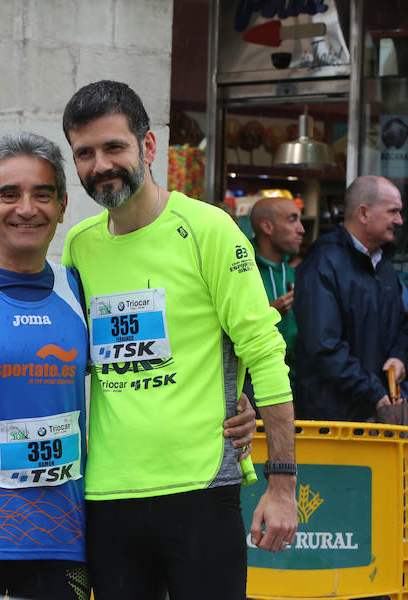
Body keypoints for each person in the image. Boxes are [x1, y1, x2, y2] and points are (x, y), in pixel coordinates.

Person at [0, 132, 256, 598]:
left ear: (63, 204)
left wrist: (231, 404)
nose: (26, 208)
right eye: (9, 194)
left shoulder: (77, 289)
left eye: (43, 194)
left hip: (61, 549)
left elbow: (135, 374)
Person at [61, 80, 296, 600]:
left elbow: (265, 351)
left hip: (201, 491)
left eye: (113, 147)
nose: (100, 165)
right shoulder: (78, 248)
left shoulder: (210, 230)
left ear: (147, 147)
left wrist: (283, 485)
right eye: (85, 153)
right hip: (106, 496)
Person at [293, 175, 408, 422]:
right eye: (393, 212)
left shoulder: (385, 267)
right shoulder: (323, 263)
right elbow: (323, 345)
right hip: (331, 421)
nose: (399, 221)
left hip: (375, 412)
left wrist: (400, 358)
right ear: (363, 213)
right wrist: (373, 390)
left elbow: (404, 326)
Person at [250, 196, 305, 383]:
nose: (302, 229)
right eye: (292, 220)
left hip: (298, 382)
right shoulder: (241, 271)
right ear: (267, 227)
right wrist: (270, 313)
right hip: (253, 385)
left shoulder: (301, 273)